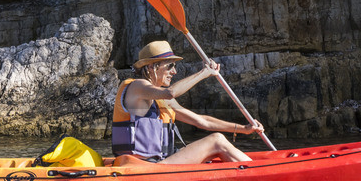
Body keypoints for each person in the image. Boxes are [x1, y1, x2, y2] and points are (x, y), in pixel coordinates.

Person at [113, 40, 265, 164]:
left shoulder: (161, 100)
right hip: (141, 167)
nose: (174, 71)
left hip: (159, 163)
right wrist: (204, 73)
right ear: (152, 67)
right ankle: (261, 175)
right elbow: (170, 92)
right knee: (217, 140)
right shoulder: (136, 86)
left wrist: (244, 129)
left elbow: (202, 122)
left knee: (216, 143)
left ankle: (252, 171)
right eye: (170, 66)